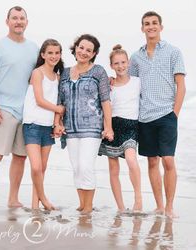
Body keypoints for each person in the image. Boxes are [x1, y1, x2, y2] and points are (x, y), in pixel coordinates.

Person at [129, 11, 186, 218]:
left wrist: (175, 114)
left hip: (166, 115)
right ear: (142, 28)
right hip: (144, 117)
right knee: (152, 161)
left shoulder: (173, 52)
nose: (150, 26)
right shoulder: (135, 57)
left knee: (168, 161)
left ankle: (170, 207)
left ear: (161, 27)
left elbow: (181, 86)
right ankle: (159, 206)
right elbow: (131, 87)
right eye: (146, 23)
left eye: (154, 23)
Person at [0, 6, 38, 209]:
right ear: (7, 22)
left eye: (22, 18)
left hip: (27, 111)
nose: (18, 21)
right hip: (3, 109)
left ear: (27, 22)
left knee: (20, 156)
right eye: (14, 18)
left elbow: (44, 74)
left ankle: (13, 199)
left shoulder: (33, 48)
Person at [54, 34, 114, 214]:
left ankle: (88, 207)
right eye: (81, 48)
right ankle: (82, 203)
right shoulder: (64, 73)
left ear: (94, 53)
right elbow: (60, 101)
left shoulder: (98, 72)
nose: (84, 52)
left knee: (86, 166)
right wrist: (57, 123)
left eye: (89, 50)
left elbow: (105, 101)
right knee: (77, 167)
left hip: (92, 128)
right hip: (70, 129)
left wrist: (108, 126)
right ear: (75, 48)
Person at [99, 45, 142, 212]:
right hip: (112, 126)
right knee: (113, 168)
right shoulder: (109, 86)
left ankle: (138, 199)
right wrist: (106, 128)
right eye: (116, 63)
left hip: (131, 126)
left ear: (129, 63)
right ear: (111, 66)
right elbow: (105, 108)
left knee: (131, 160)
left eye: (123, 62)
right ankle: (121, 207)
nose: (120, 66)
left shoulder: (137, 82)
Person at [22, 39, 64, 210]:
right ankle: (43, 198)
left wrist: (57, 122)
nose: (54, 56)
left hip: (47, 126)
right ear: (43, 55)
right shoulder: (37, 73)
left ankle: (34, 205)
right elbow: (39, 100)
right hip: (32, 124)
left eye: (57, 53)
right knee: (36, 167)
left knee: (43, 168)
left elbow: (57, 102)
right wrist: (59, 109)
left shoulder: (58, 77)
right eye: (50, 53)